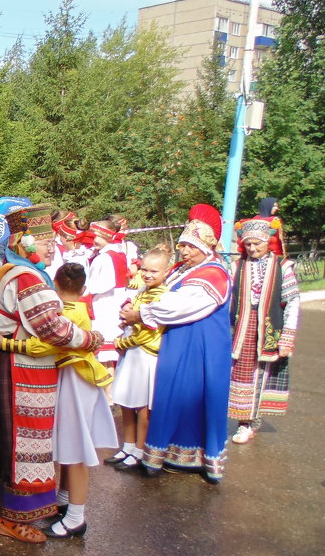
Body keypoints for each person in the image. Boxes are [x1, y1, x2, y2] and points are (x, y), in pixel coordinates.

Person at [0, 203, 103, 544]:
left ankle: (1, 504)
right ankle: (13, 518)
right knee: (25, 444)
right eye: (46, 242)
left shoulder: (8, 272)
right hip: (25, 372)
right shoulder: (29, 278)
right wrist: (92, 339)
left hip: (4, 362)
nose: (52, 248)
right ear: (25, 244)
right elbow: (53, 329)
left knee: (4, 439)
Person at [0, 263, 116, 538]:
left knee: (75, 449)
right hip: (72, 378)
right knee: (68, 446)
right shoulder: (77, 307)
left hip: (74, 379)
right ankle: (63, 502)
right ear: (83, 289)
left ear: (54, 285)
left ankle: (76, 517)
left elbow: (50, 341)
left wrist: (9, 344)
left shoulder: (65, 312)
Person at [120, 204, 232, 483]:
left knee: (194, 395)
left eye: (190, 247)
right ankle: (167, 453)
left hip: (201, 348)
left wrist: (141, 313)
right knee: (173, 397)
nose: (184, 252)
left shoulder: (213, 273)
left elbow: (176, 305)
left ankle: (196, 457)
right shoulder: (186, 270)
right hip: (179, 344)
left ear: (205, 248)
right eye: (183, 246)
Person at [227, 217, 300, 444]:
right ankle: (244, 421)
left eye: (257, 244)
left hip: (269, 328)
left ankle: (252, 420)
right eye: (248, 244)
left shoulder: (282, 266)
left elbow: (292, 301)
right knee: (241, 374)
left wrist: (287, 335)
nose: (252, 248)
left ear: (268, 242)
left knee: (262, 374)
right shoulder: (237, 266)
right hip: (242, 327)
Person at [106, 246, 171, 471]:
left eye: (154, 271)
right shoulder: (143, 290)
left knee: (142, 405)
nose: (147, 274)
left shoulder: (162, 295)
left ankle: (140, 450)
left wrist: (121, 343)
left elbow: (148, 331)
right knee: (125, 400)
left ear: (166, 272)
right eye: (144, 269)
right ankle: (128, 445)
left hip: (144, 355)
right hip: (132, 353)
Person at [86, 218, 128, 371]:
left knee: (106, 356)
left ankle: (107, 392)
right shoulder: (117, 253)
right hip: (112, 302)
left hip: (105, 305)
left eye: (96, 236)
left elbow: (102, 284)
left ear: (106, 236)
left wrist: (84, 291)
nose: (93, 240)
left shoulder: (105, 257)